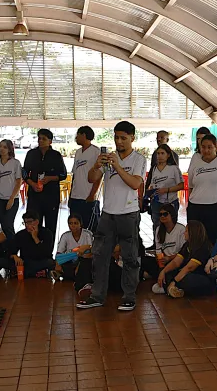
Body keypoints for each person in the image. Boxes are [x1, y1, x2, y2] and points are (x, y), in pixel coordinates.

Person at [76, 121, 147, 312]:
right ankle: (98, 295)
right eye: (116, 137)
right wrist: (97, 164)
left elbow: (135, 184)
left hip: (128, 213)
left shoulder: (138, 159)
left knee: (130, 257)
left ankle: (129, 296)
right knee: (99, 255)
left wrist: (117, 166)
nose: (119, 141)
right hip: (108, 213)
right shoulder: (108, 158)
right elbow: (92, 178)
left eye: (123, 138)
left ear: (132, 138)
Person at [23, 128, 67, 244]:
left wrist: (50, 178)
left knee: (50, 226)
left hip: (51, 196)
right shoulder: (31, 154)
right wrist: (32, 184)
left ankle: (48, 253)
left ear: (50, 141)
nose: (41, 141)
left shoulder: (56, 155)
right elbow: (24, 172)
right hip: (34, 195)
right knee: (32, 223)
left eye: (44, 139)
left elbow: (63, 174)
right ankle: (32, 251)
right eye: (39, 139)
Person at [154, 220, 214, 298]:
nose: (184, 233)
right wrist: (163, 271)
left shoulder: (203, 247)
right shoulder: (187, 245)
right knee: (169, 273)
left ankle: (174, 288)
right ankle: (174, 289)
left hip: (200, 277)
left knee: (187, 279)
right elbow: (176, 262)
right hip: (187, 274)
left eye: (186, 231)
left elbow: (189, 267)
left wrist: (174, 281)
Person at [68, 126, 102, 229]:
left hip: (88, 197)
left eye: (77, 135)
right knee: (76, 227)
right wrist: (70, 194)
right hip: (75, 197)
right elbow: (75, 174)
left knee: (91, 228)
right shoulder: (78, 152)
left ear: (83, 135)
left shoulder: (96, 152)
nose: (76, 138)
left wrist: (92, 194)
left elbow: (99, 175)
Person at [7, 211, 55, 279]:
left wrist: (35, 238)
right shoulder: (20, 234)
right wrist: (14, 256)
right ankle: (38, 273)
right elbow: (11, 250)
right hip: (25, 261)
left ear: (37, 222)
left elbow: (47, 253)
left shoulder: (47, 233)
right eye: (25, 222)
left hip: (41, 261)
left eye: (29, 222)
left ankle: (24, 273)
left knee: (51, 263)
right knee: (3, 261)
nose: (27, 225)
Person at [0, 139, 23, 239]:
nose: (2, 149)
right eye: (0, 146)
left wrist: (12, 198)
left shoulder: (15, 163)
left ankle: (12, 249)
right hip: (0, 199)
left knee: (8, 224)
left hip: (12, 199)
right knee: (3, 226)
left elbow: (18, 181)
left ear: (9, 149)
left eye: (5, 147)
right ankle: (6, 249)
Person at [54, 213, 93, 287]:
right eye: (70, 223)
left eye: (75, 223)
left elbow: (90, 249)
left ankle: (65, 274)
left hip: (84, 259)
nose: (73, 226)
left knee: (86, 254)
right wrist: (57, 265)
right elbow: (59, 253)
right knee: (60, 259)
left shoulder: (87, 234)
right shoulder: (65, 235)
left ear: (80, 224)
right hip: (71, 259)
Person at [146, 144, 183, 221]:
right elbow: (152, 183)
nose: (160, 156)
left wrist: (167, 190)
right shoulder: (154, 168)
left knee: (170, 226)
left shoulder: (174, 168)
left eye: (162, 153)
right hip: (156, 203)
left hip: (170, 202)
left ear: (168, 155)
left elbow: (181, 185)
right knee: (157, 226)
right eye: (158, 153)